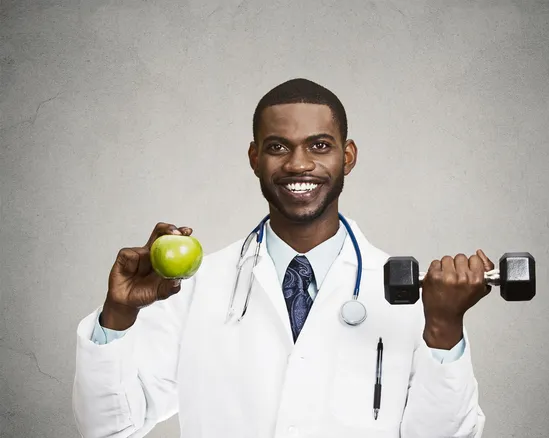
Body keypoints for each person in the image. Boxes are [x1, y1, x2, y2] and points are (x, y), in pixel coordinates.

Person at [72, 78, 494, 438]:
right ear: (255, 158)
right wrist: (119, 313)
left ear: (347, 156)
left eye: (319, 145)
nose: (299, 164)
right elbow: (108, 428)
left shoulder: (414, 295)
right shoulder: (192, 288)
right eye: (278, 146)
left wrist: (443, 327)